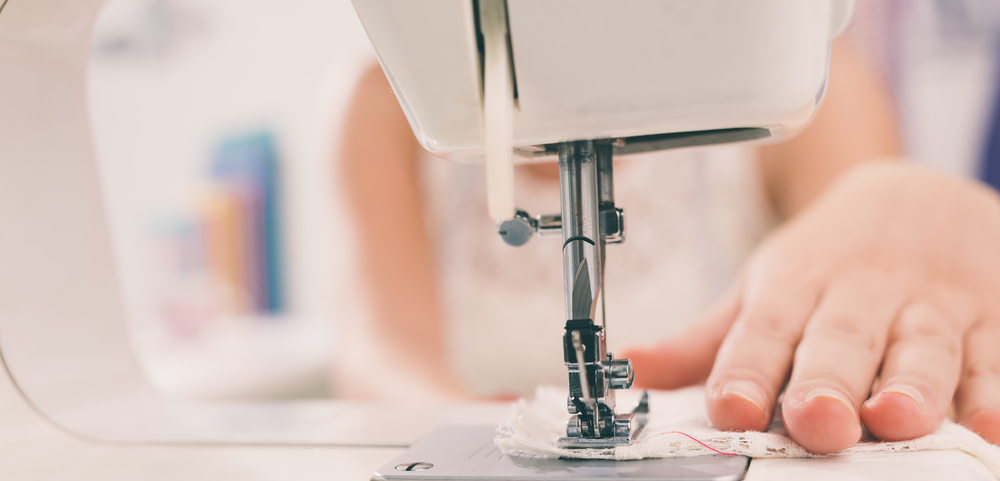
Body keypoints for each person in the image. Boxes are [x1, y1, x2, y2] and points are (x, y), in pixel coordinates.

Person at [333, 23, 1000, 453]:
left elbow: (873, 297)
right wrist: (503, 435)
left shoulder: (807, 85)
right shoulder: (388, 104)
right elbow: (381, 345)